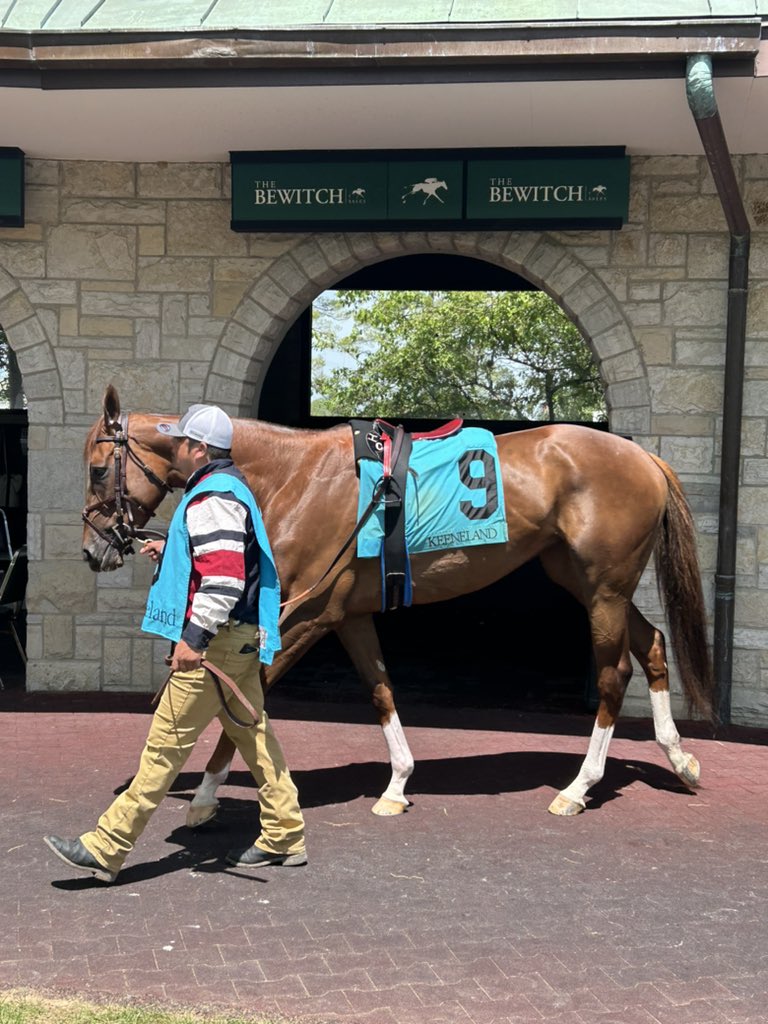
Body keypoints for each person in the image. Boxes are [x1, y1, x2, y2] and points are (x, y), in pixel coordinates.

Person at [44, 404, 306, 883]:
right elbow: (224, 558)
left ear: (199, 448)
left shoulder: (212, 497)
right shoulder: (225, 490)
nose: (176, 450)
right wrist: (173, 549)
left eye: (182, 443)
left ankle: (106, 847)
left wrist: (194, 639)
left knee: (164, 748)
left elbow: (224, 581)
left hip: (216, 646)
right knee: (256, 737)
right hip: (239, 641)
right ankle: (285, 834)